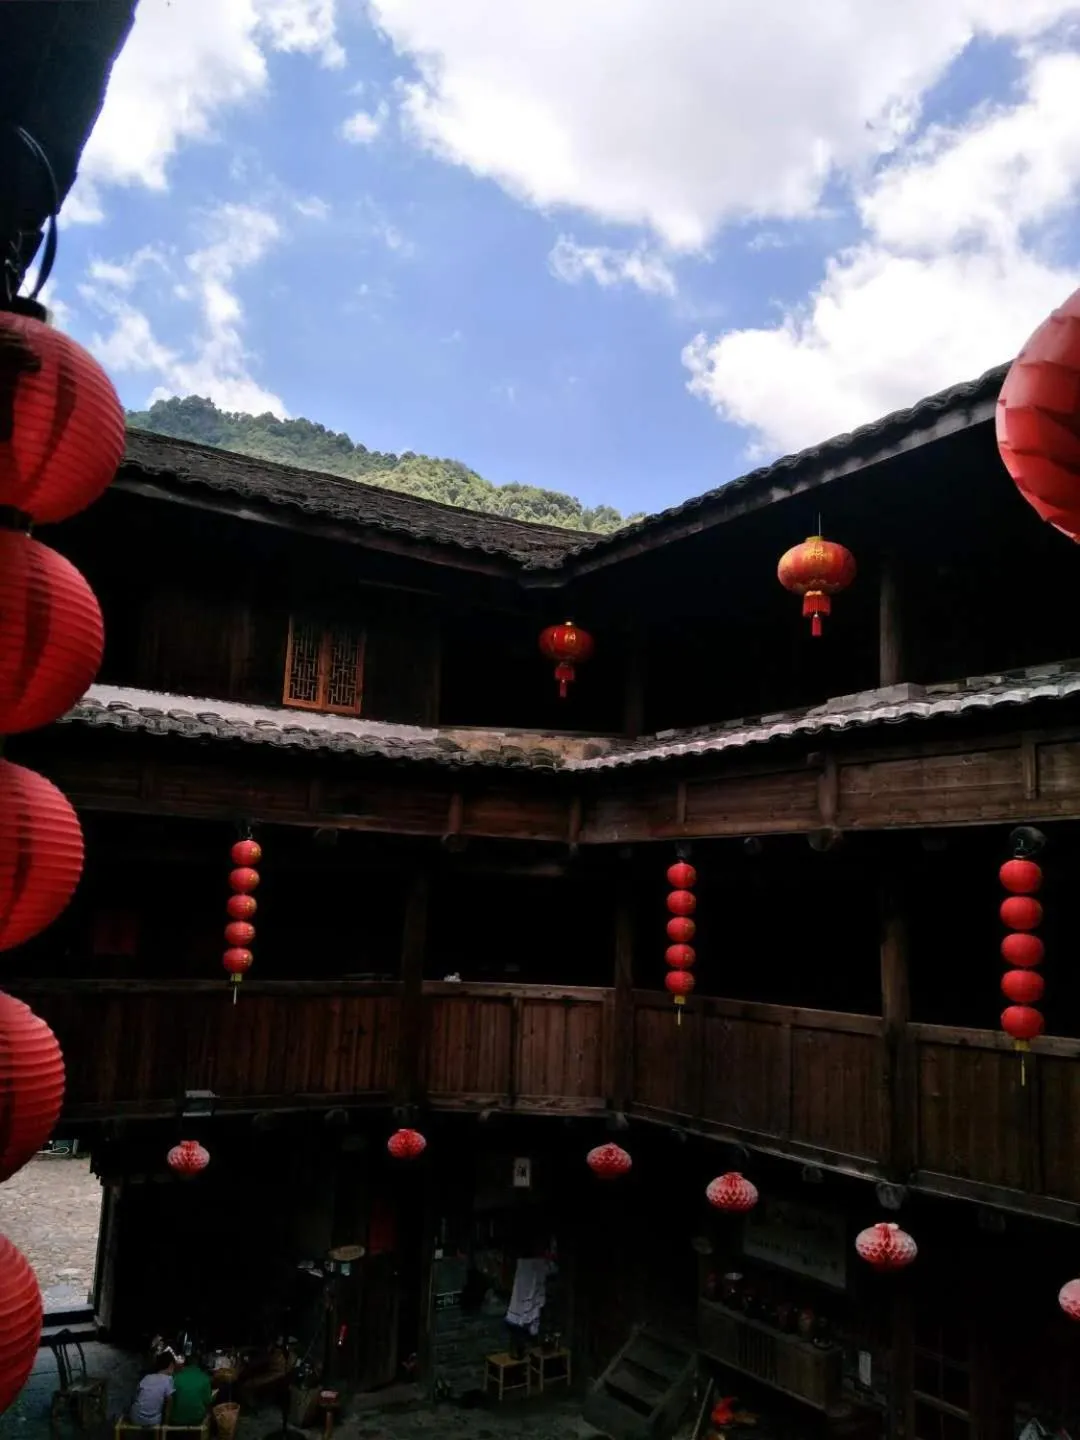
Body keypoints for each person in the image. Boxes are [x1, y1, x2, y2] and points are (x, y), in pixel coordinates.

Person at [129, 1351, 176, 1428]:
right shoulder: (169, 1379)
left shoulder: (147, 1377)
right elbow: (169, 1404)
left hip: (135, 1417)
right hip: (153, 1422)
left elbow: (136, 1395)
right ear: (171, 1365)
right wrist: (166, 1423)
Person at [170, 1354, 217, 1427]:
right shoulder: (204, 1378)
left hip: (177, 1419)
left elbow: (171, 1399)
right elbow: (207, 1401)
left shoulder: (176, 1377)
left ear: (184, 1364)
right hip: (197, 1419)